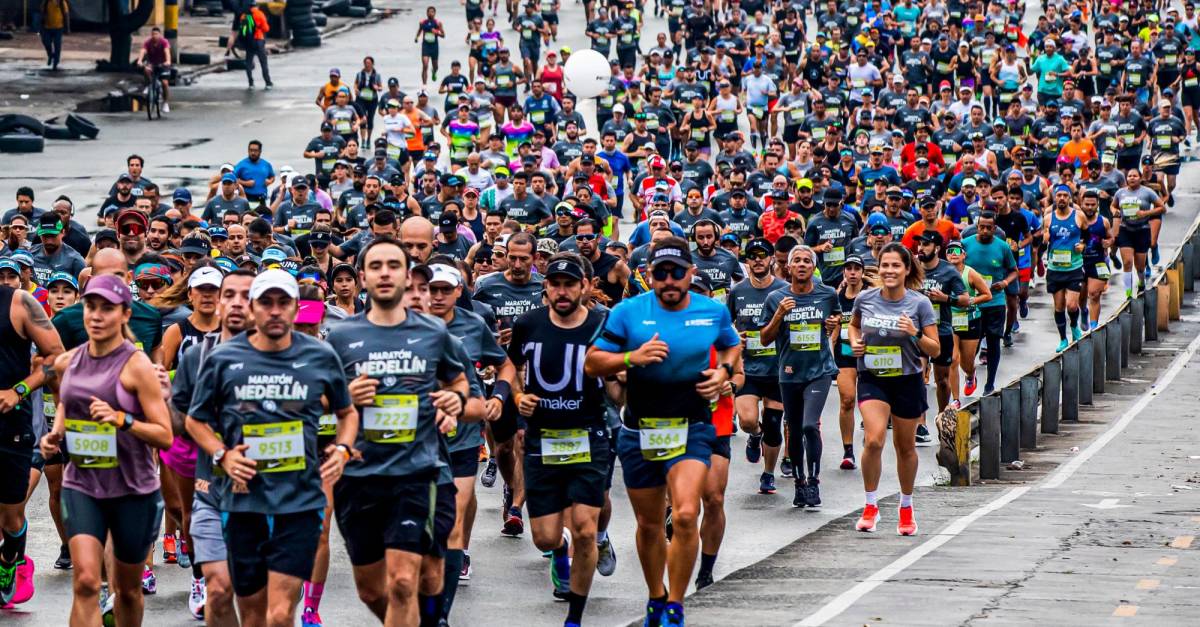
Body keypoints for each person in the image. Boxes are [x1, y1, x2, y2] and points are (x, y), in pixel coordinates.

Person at [185, 269, 357, 627]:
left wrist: (341, 450)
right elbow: (194, 421)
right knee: (252, 616)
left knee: (279, 615)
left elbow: (347, 412)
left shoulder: (320, 356)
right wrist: (223, 454)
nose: (275, 311)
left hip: (299, 503)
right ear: (253, 308)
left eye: (283, 303)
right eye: (266, 302)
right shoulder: (223, 358)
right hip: (242, 503)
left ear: (296, 308)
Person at [586, 237, 741, 627]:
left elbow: (732, 347)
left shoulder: (712, 311)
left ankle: (675, 603)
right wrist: (630, 358)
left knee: (687, 514)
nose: (669, 280)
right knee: (651, 523)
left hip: (692, 428)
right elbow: (592, 363)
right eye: (660, 273)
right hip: (640, 430)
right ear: (648, 275)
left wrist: (722, 374)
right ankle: (656, 595)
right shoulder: (627, 312)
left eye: (676, 272)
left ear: (690, 273)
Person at [325, 238, 470, 627]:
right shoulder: (339, 336)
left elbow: (458, 382)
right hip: (359, 476)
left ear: (408, 276)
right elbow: (317, 400)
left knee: (406, 581)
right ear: (362, 277)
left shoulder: (433, 333)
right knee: (372, 590)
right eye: (376, 266)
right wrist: (346, 396)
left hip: (416, 474)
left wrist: (455, 400)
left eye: (393, 265)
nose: (385, 273)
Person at [39, 275, 173, 624]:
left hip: (132, 489)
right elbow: (68, 402)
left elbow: (164, 435)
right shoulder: (70, 361)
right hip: (82, 484)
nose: (96, 316)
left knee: (127, 590)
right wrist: (54, 434)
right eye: (90, 307)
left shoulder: (137, 366)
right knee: (85, 581)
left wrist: (122, 420)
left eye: (107, 309)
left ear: (125, 315)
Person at [510, 253, 610, 625]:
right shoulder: (528, 324)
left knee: (585, 528)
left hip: (589, 435)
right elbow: (511, 366)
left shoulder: (603, 325)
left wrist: (622, 383)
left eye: (570, 284)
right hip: (541, 440)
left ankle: (575, 615)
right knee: (545, 538)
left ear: (584, 286)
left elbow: (617, 376)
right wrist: (519, 397)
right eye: (556, 284)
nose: (563, 291)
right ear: (546, 288)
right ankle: (560, 548)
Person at [172, 269, 255, 624]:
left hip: (270, 497)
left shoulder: (285, 355)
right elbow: (179, 422)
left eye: (247, 296)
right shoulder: (197, 357)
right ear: (218, 302)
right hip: (212, 491)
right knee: (219, 589)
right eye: (229, 295)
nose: (237, 304)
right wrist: (162, 403)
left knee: (264, 605)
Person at [847, 243, 939, 536]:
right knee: (873, 441)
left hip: (908, 379)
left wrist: (914, 334)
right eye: (884, 265)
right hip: (873, 377)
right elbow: (853, 325)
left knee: (905, 447)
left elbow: (934, 349)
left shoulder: (919, 304)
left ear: (907, 269)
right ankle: (871, 505)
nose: (889, 271)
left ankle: (906, 505)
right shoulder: (865, 298)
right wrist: (855, 342)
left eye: (895, 266)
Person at [758, 245, 841, 508]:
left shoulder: (827, 294)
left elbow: (835, 317)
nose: (802, 264)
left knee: (809, 425)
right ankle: (799, 482)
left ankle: (814, 482)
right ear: (789, 267)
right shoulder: (775, 298)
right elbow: (764, 338)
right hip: (789, 372)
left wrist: (832, 325)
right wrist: (780, 315)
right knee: (793, 431)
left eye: (807, 261)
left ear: (813, 267)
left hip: (819, 370)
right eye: (797, 261)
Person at [0, 274, 64, 607]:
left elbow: (56, 357)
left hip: (10, 425)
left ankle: (10, 562)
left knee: (10, 517)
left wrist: (18, 390)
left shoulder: (19, 303)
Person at [728, 238, 787, 494]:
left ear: (772, 258)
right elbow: (725, 323)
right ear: (747, 261)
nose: (758, 260)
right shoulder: (738, 291)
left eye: (763, 255)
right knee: (748, 420)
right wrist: (734, 336)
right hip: (749, 368)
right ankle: (754, 436)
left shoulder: (784, 289)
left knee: (774, 424)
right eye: (752, 256)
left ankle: (768, 473)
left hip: (777, 369)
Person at [962, 212, 1017, 396]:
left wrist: (1006, 283)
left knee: (994, 342)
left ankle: (990, 384)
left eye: (989, 228)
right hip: (973, 303)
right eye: (981, 227)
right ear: (977, 226)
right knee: (971, 347)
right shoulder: (966, 244)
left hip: (995, 302)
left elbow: (1013, 271)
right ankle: (970, 374)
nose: (985, 231)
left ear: (995, 229)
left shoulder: (1002, 247)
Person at [1045, 185, 1087, 352]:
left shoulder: (1079, 216)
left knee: (1071, 305)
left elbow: (1087, 234)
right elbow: (1044, 241)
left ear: (1070, 198)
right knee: (1059, 307)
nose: (1061, 198)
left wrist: (1082, 245)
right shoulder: (1048, 218)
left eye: (1065, 195)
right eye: (1059, 195)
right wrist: (1044, 238)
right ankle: (1063, 338)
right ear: (1055, 198)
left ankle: (1075, 325)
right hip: (1055, 268)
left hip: (1074, 267)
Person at [227, 2, 272, 90]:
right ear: (256, 6)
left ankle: (251, 83)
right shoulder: (259, 14)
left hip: (248, 42)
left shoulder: (244, 16)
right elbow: (266, 28)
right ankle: (268, 83)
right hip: (258, 40)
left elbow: (242, 30)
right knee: (263, 63)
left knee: (249, 62)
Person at [135, 27, 172, 113]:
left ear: (159, 35)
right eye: (153, 34)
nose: (154, 36)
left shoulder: (164, 42)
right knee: (146, 70)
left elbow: (167, 52)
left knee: (165, 83)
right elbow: (143, 51)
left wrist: (168, 61)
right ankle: (149, 85)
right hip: (152, 64)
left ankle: (165, 102)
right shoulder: (148, 42)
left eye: (156, 34)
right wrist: (140, 60)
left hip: (163, 64)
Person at [39, 0, 69, 70]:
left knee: (57, 45)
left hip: (58, 28)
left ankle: (56, 62)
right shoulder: (46, 2)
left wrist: (67, 27)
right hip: (47, 28)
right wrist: (40, 26)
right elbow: (42, 13)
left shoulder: (62, 2)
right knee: (46, 42)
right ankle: (50, 55)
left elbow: (66, 14)